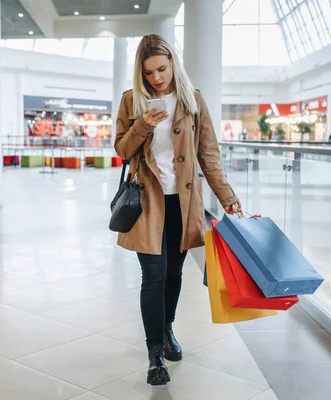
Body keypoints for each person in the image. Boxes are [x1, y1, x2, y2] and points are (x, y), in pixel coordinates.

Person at [114, 34, 241, 386]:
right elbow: (123, 150)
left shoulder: (192, 99)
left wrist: (226, 194)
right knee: (153, 275)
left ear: (173, 63)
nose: (157, 78)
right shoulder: (131, 100)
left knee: (173, 275)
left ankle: (167, 330)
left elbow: (208, 154)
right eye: (149, 72)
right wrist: (143, 125)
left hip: (183, 203)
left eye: (162, 69)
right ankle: (155, 353)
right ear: (140, 73)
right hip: (147, 202)